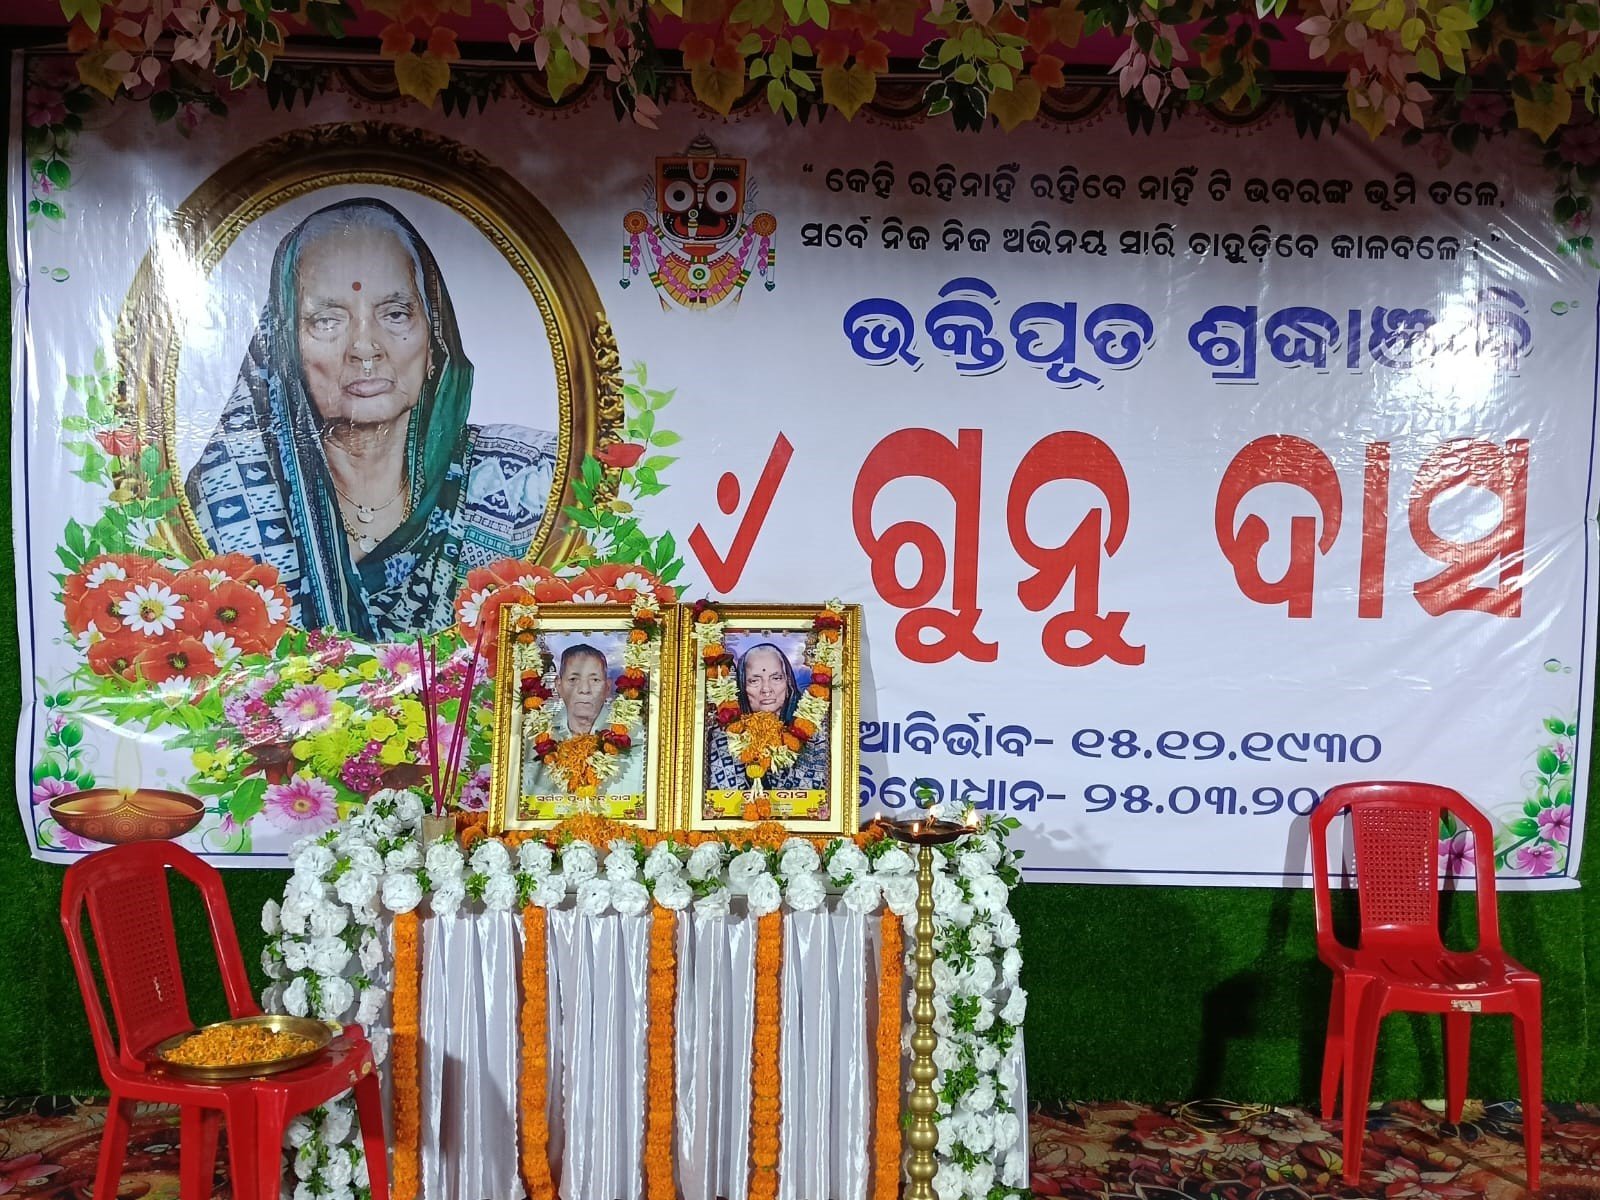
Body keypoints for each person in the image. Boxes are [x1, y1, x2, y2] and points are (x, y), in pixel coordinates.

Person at [185, 197, 558, 640]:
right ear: (285, 348)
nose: (364, 348)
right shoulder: (229, 503)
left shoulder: (531, 482)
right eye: (327, 320)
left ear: (435, 339)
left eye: (396, 314)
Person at [523, 643, 645, 803]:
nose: (584, 689)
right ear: (558, 686)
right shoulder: (535, 737)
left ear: (608, 687)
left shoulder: (636, 737)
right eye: (573, 679)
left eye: (595, 680)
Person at [705, 641, 829, 794]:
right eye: (754, 680)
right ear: (741, 686)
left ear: (788, 684)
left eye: (776, 678)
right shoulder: (721, 739)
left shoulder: (816, 737)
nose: (766, 689)